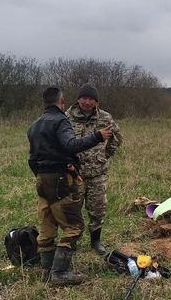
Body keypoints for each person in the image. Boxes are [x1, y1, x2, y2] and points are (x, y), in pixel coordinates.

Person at [27, 87, 112, 286]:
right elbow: (71, 145)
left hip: (42, 179)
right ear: (62, 102)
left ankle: (46, 271)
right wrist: (98, 136)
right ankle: (60, 272)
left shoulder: (35, 125)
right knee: (74, 226)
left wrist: (41, 176)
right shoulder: (62, 121)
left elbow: (32, 159)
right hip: (60, 179)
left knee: (47, 225)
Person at [66, 83, 123, 255]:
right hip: (74, 172)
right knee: (73, 209)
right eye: (84, 98)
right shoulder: (67, 117)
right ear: (78, 99)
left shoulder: (105, 118)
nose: (87, 102)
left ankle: (95, 241)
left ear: (96, 101)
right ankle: (71, 241)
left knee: (98, 208)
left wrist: (105, 155)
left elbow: (117, 137)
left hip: (97, 173)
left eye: (91, 99)